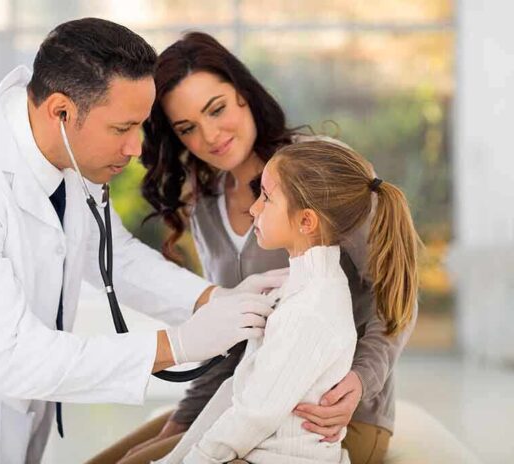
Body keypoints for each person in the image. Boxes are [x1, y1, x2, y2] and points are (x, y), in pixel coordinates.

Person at [0, 19, 281, 464]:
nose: (136, 148)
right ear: (61, 110)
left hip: (6, 408)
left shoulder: (67, 149)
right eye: (122, 129)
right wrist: (177, 346)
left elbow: (111, 255)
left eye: (139, 126)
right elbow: (12, 355)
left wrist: (216, 299)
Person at [87, 32, 416, 464]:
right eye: (187, 128)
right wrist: (184, 417)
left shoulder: (315, 171)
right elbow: (232, 334)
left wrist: (361, 379)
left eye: (216, 109)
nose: (210, 136)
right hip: (248, 396)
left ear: (244, 93)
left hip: (325, 417)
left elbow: (393, 293)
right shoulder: (203, 201)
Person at [159, 140, 420, 463]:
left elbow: (256, 413)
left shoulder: (311, 309)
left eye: (266, 198)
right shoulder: (298, 288)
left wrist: (197, 458)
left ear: (306, 222)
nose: (253, 208)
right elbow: (243, 389)